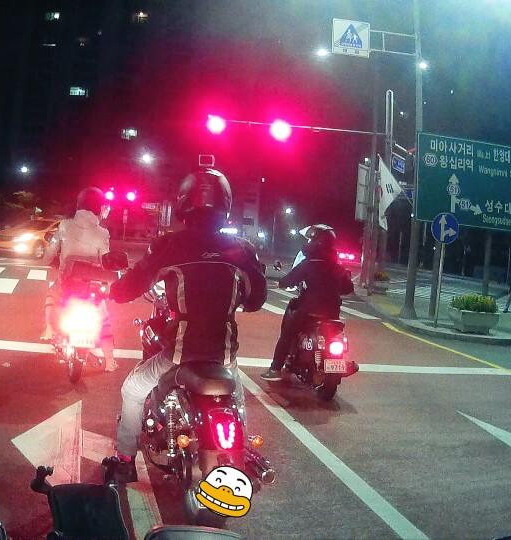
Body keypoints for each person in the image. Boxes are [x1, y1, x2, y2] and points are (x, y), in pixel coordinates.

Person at [107, 168, 267, 482]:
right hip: (223, 355)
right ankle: (243, 452)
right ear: (226, 204)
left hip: (180, 354)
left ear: (183, 203)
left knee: (133, 389)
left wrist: (115, 290)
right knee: (235, 400)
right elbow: (256, 299)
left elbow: (129, 287)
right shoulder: (242, 249)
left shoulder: (169, 245)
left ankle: (124, 459)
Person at [261, 224, 354, 382]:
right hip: (332, 312)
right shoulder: (338, 267)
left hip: (309, 310)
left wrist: (281, 283)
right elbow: (348, 288)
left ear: (315, 242)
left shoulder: (310, 263)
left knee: (287, 334)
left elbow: (290, 279)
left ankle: (275, 368)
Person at [42, 187, 117, 371]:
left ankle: (49, 329)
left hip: (68, 282)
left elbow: (50, 252)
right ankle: (109, 361)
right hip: (91, 286)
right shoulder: (103, 233)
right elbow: (106, 260)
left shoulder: (65, 226)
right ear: (99, 207)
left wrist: (49, 259)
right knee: (104, 318)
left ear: (79, 205)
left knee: (52, 295)